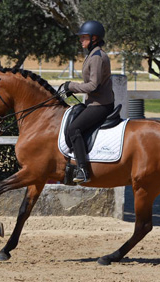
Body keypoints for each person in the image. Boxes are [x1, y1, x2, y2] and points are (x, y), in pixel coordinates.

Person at [63, 20, 115, 183]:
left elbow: (94, 86)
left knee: (74, 128)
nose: (81, 40)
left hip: (101, 105)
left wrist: (71, 86)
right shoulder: (93, 55)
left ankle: (83, 170)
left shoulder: (97, 57)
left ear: (94, 38)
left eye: (84, 37)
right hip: (93, 103)